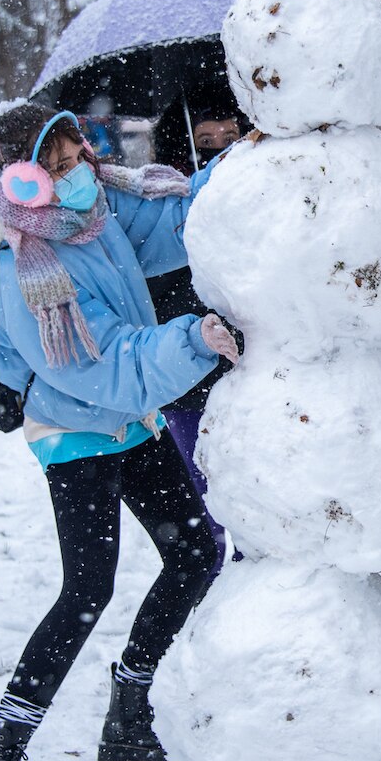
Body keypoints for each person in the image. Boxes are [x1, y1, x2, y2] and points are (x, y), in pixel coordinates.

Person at [0, 102, 241, 761]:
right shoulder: (26, 267)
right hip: (77, 433)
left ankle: (128, 710)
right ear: (24, 182)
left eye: (78, 155)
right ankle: (2, 748)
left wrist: (243, 163)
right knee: (87, 589)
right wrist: (193, 339)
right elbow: (107, 363)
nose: (78, 171)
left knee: (195, 552)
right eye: (57, 167)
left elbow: (178, 219)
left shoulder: (97, 212)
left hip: (130, 423)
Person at [147, 88, 252, 496]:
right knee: (206, 488)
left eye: (231, 138)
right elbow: (154, 295)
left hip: (253, 368)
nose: (220, 150)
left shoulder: (264, 203)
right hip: (189, 374)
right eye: (205, 141)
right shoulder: (161, 208)